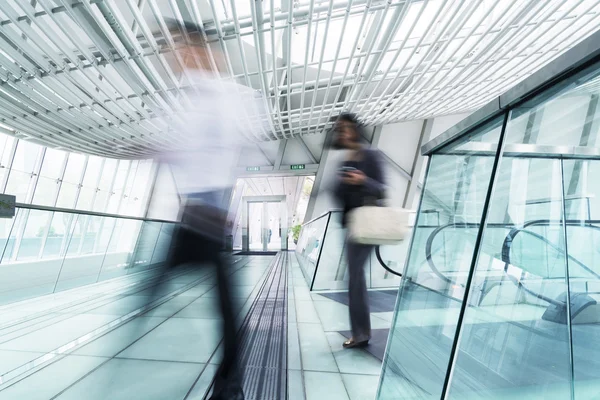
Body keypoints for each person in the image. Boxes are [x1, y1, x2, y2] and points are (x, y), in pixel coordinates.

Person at [149, 17, 266, 400]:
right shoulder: (194, 95)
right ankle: (228, 384)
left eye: (179, 48)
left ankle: (229, 385)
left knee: (218, 306)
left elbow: (236, 146)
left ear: (199, 49)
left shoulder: (225, 94)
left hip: (209, 210)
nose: (174, 57)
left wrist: (221, 201)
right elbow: (194, 150)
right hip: (195, 210)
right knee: (163, 290)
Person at [332, 113, 386, 349]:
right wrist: (342, 184)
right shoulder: (345, 161)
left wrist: (362, 179)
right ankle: (361, 332)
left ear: (355, 129)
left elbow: (382, 189)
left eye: (345, 128)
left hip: (368, 223)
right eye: (339, 129)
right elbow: (339, 196)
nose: (342, 132)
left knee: (354, 278)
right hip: (353, 225)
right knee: (354, 278)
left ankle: (361, 334)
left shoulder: (370, 156)